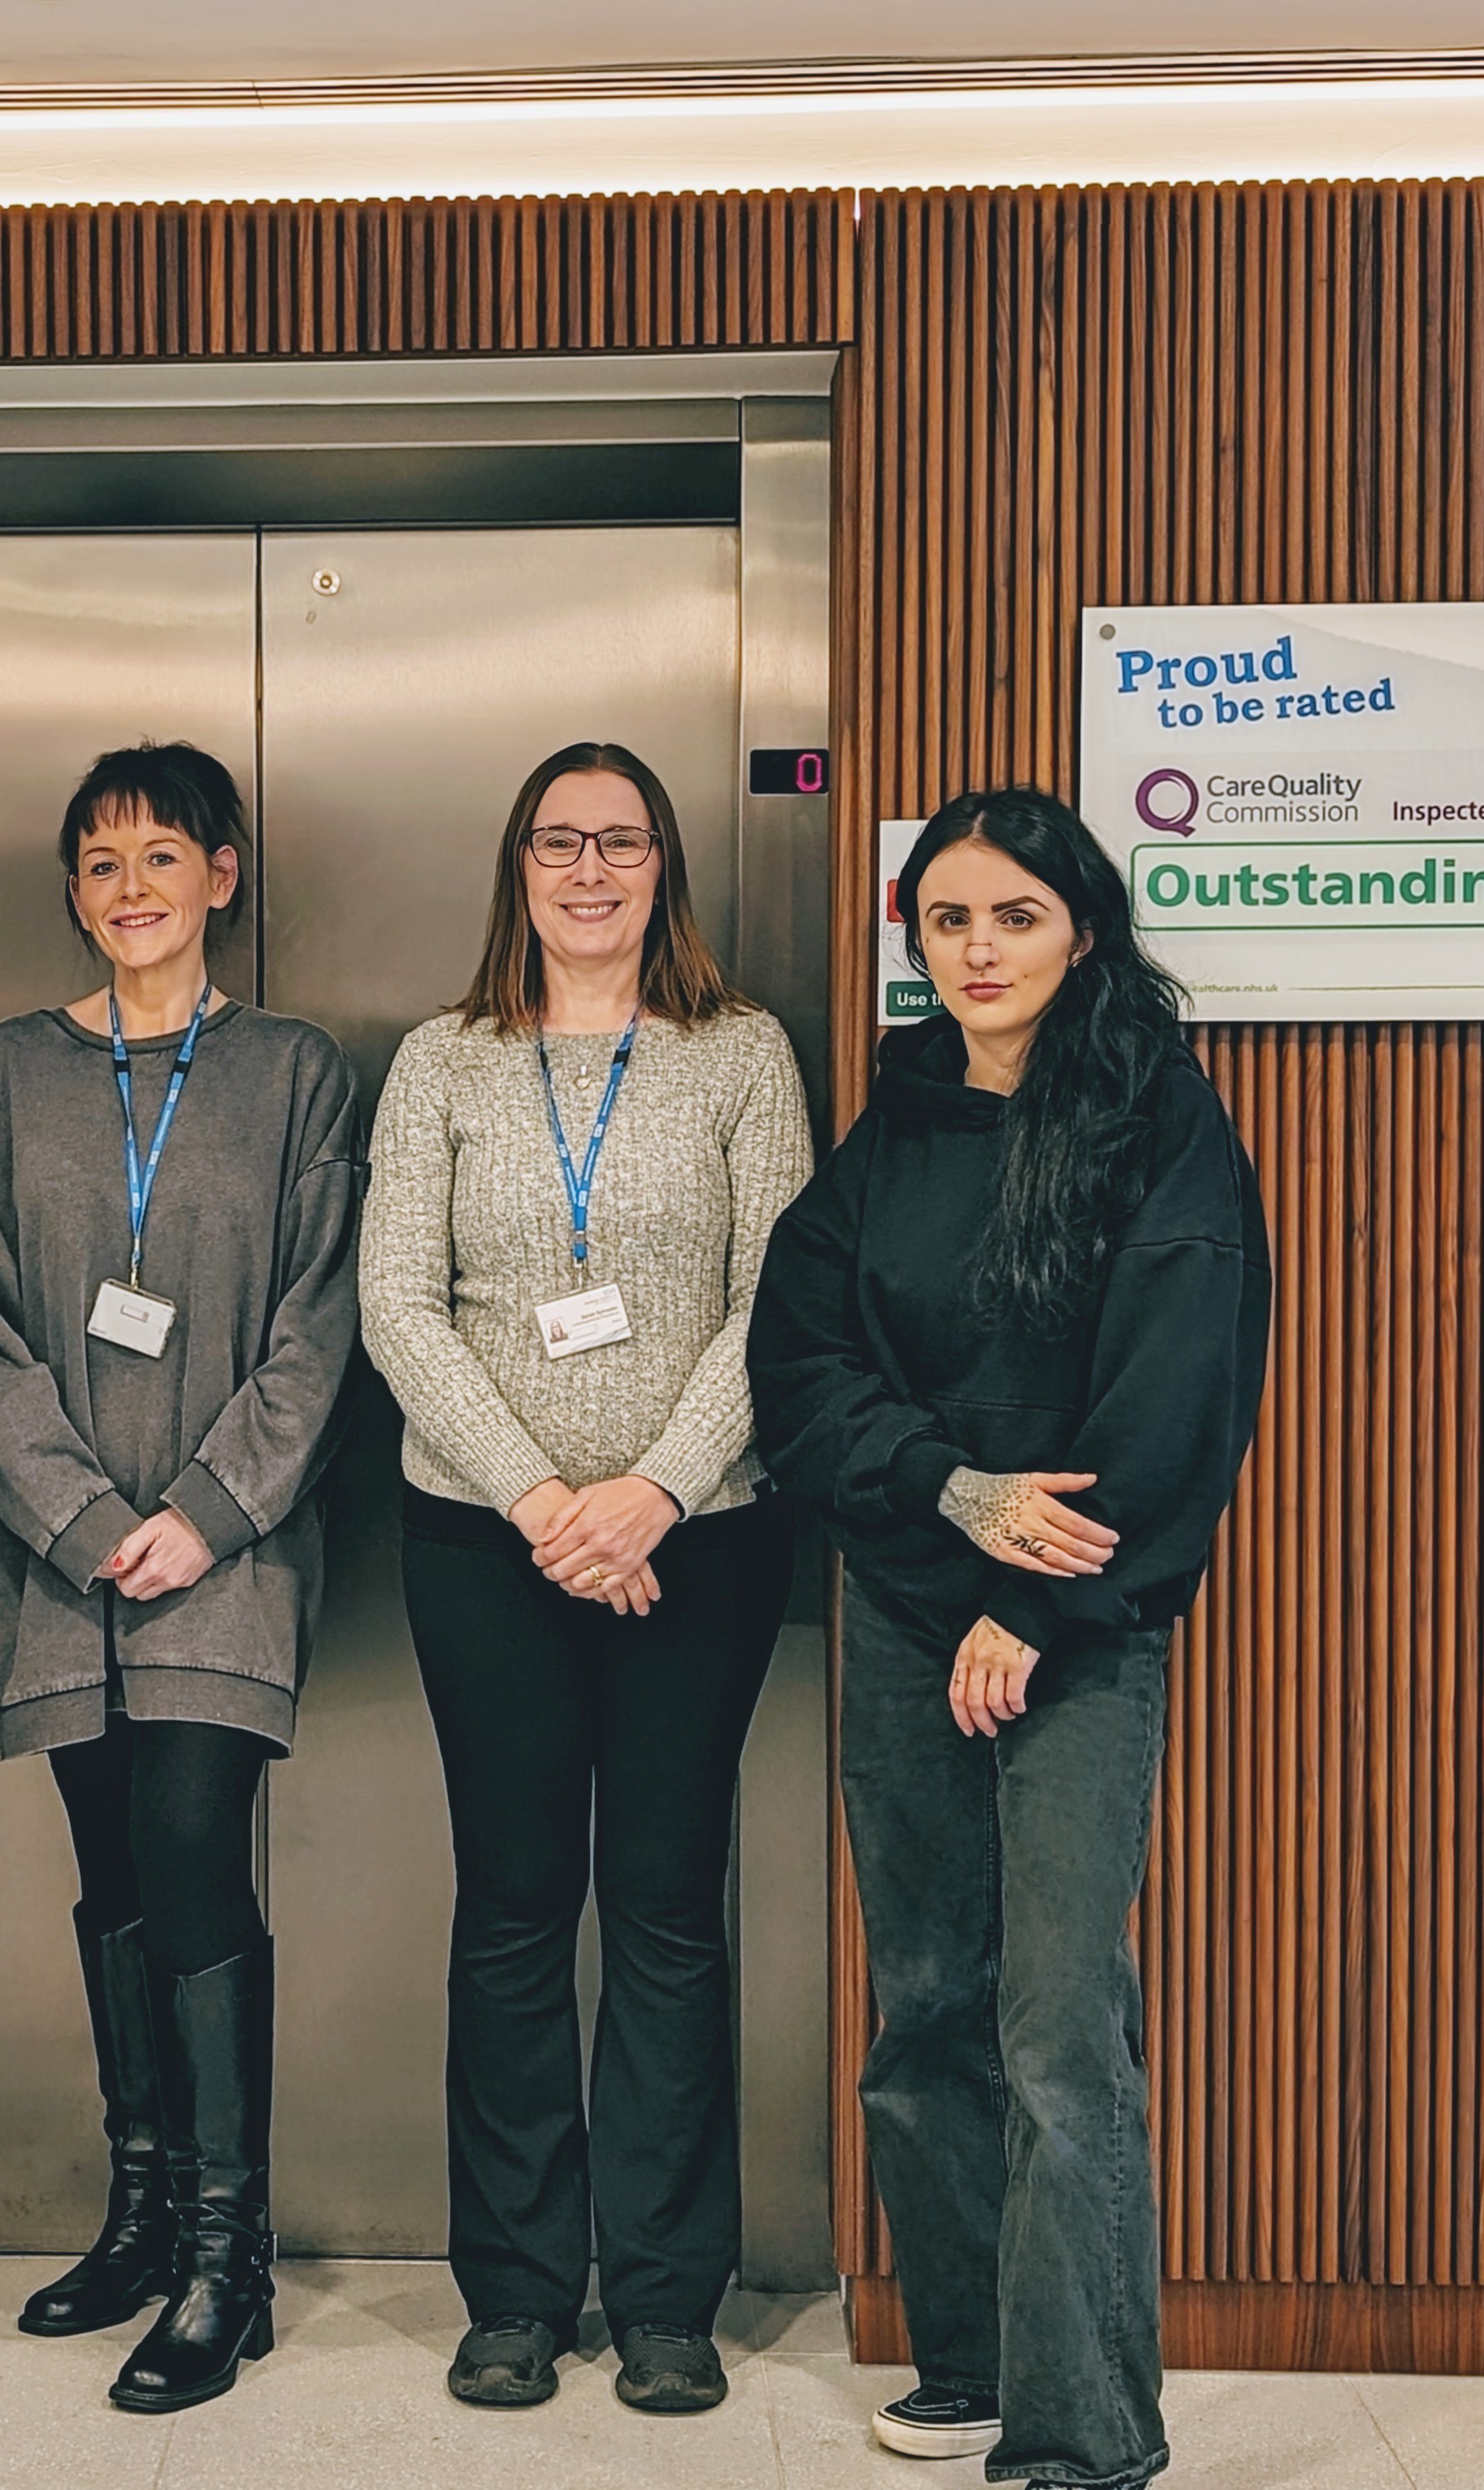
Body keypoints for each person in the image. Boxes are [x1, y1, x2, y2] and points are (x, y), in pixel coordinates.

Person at [749, 788, 1268, 2490]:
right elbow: (801, 1364)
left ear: (1080, 931)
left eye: (1012, 917)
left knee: (1055, 2026)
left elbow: (1174, 1403)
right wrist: (947, 1491)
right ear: (914, 938)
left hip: (1080, 1631)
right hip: (906, 1611)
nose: (976, 949)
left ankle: (1084, 2431)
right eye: (947, 919)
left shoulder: (1154, 1124)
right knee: (920, 2006)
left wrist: (1030, 1600)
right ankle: (965, 2361)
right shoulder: (887, 1127)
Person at [360, 741, 811, 2418]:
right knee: (511, 1908)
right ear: (517, 867)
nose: (589, 869)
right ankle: (517, 2292)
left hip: (699, 1540)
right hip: (483, 1541)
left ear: (662, 865)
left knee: (670, 1910)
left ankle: (670, 2297)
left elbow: (779, 1301)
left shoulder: (741, 1054)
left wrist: (649, 1494)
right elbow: (397, 1301)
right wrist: (546, 1500)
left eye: (620, 841)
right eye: (557, 841)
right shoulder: (439, 1061)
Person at [0, 741, 361, 2414]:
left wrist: (204, 1506)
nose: (130, 888)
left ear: (222, 874)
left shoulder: (293, 1071)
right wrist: (73, 1515)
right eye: (98, 861)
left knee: (189, 1848)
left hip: (221, 1553)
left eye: (160, 856)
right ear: (72, 888)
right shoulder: (2, 1073)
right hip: (58, 1560)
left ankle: (221, 2248)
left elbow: (317, 1320)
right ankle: (136, 2206)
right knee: (108, 1864)